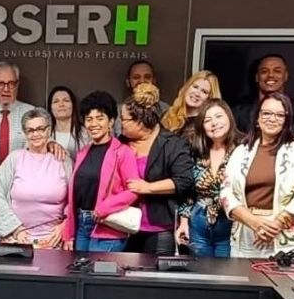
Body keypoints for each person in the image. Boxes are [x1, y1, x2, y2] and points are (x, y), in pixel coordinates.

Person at [220, 93, 294, 257]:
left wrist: (275, 225)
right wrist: (254, 222)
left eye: (279, 115)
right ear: (257, 118)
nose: (272, 119)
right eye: (267, 113)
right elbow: (225, 192)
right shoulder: (241, 151)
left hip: (284, 236)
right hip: (246, 233)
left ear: (287, 120)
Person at [117, 82, 194, 255]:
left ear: (139, 122)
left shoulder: (172, 144)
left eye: (124, 119)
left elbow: (184, 180)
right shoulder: (120, 142)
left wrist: (148, 187)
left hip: (158, 229)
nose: (120, 123)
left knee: (154, 271)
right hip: (122, 226)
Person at [66, 90, 138, 253]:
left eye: (100, 118)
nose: (94, 124)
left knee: (98, 269)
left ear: (111, 121)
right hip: (81, 225)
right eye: (89, 119)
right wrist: (68, 233)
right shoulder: (82, 153)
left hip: (108, 227)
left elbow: (133, 190)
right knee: (80, 269)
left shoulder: (123, 152)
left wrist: (104, 208)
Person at [0, 106, 70, 248]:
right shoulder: (14, 159)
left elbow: (75, 199)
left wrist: (65, 225)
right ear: (25, 133)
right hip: (17, 239)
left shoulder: (63, 160)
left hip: (53, 240)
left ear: (49, 130)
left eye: (40, 129)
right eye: (30, 130)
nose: (36, 134)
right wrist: (16, 229)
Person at [174, 100, 241, 258]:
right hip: (199, 221)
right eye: (207, 120)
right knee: (201, 269)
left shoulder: (243, 148)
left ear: (229, 118)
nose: (214, 123)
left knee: (228, 270)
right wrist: (183, 222)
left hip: (231, 222)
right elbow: (188, 189)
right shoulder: (196, 150)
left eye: (219, 116)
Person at [234, 55, 294, 138]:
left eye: (277, 71)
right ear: (257, 77)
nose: (270, 75)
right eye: (264, 71)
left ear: (285, 76)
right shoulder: (239, 111)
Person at [113, 59, 168, 134]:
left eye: (147, 77)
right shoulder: (117, 112)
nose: (142, 81)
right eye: (136, 77)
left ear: (154, 81)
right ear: (128, 82)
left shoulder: (166, 111)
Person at [162, 70, 222, 136]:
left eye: (204, 91)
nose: (197, 93)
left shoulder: (204, 127)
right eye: (195, 87)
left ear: (209, 99)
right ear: (187, 87)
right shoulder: (168, 114)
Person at [47, 85, 82, 159]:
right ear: (50, 107)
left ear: (73, 105)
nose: (61, 104)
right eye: (56, 101)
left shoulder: (86, 133)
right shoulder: (43, 133)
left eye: (66, 100)